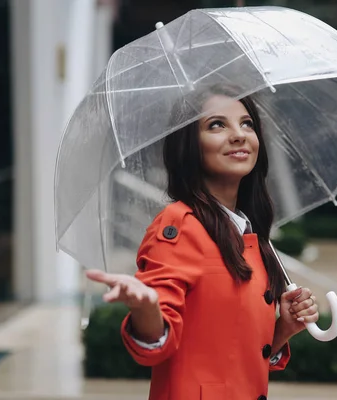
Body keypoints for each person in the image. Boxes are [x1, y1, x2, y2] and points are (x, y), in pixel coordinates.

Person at [85, 84, 320, 400]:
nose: (238, 134)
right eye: (217, 125)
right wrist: (147, 308)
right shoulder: (179, 226)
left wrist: (284, 329)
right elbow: (155, 345)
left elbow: (234, 355)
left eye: (246, 123)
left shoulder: (248, 231)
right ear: (189, 145)